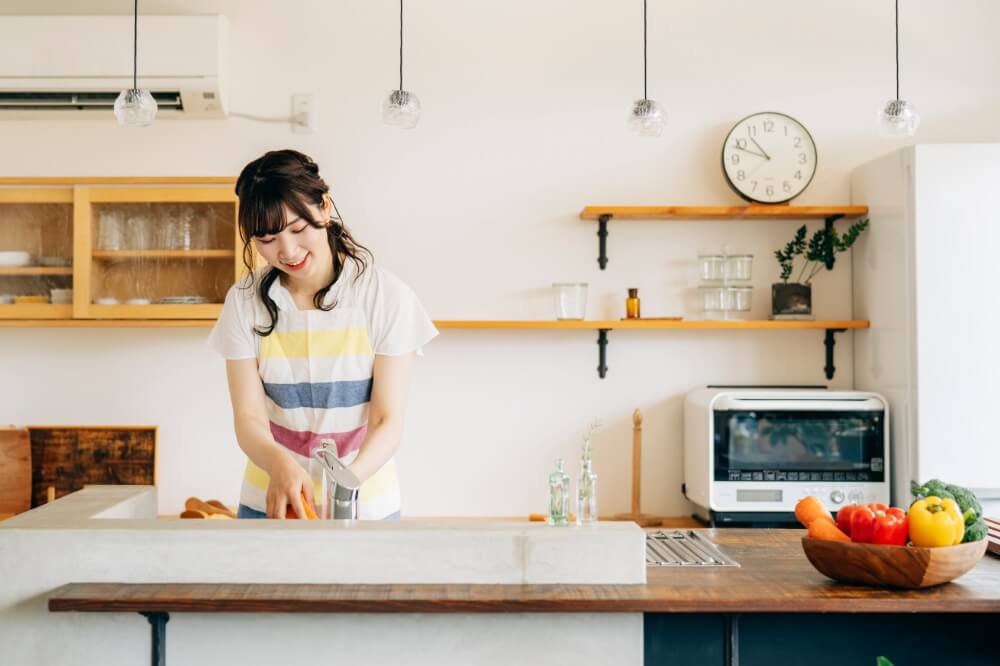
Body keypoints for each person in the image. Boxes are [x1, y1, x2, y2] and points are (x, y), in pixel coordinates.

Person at [208, 149, 437, 520]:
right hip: (272, 501)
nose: (287, 250)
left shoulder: (386, 297)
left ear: (324, 207)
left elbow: (386, 421)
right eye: (266, 239)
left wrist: (348, 485)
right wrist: (278, 463)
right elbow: (248, 416)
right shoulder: (243, 302)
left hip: (366, 503)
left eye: (298, 229)